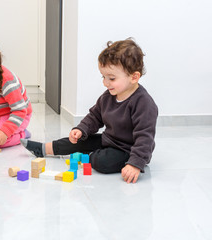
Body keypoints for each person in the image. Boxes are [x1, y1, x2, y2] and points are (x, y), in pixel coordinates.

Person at [21, 38, 158, 183]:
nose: (105, 83)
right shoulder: (108, 96)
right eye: (103, 77)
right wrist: (81, 129)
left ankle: (91, 155)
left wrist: (135, 164)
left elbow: (145, 137)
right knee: (78, 141)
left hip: (128, 150)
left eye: (111, 78)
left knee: (102, 162)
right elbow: (95, 116)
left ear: (134, 77)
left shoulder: (144, 103)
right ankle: (45, 149)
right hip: (108, 140)